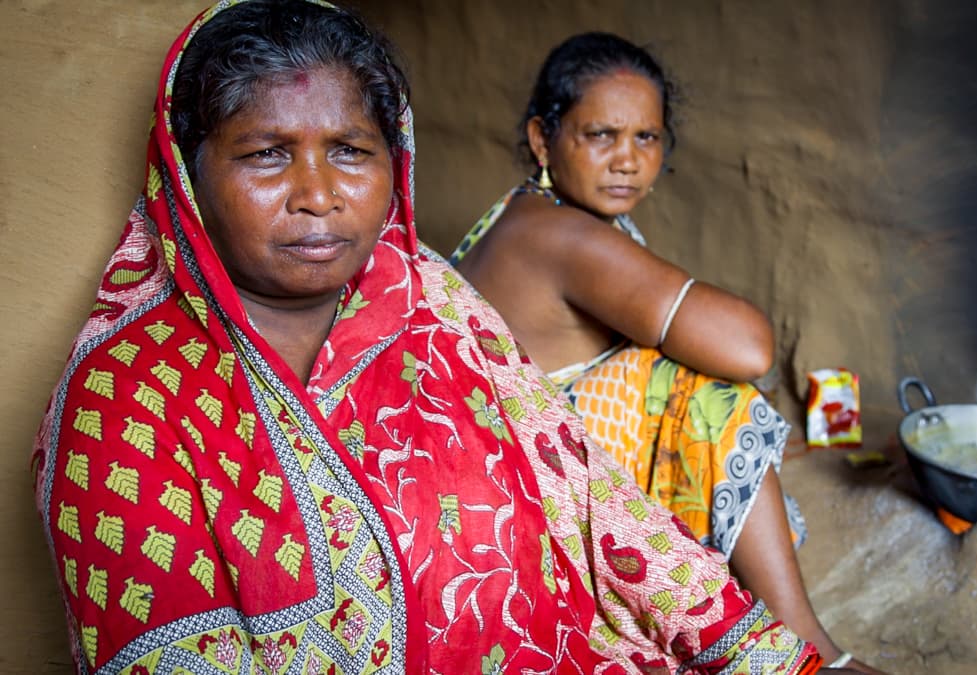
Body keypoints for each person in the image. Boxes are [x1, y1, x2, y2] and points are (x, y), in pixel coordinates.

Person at [30, 2, 825, 672]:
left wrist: (769, 655)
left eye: (350, 151)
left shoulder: (432, 299)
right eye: (267, 155)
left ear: (394, 160)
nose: (317, 194)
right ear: (187, 169)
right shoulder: (126, 396)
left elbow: (592, 498)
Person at [451, 32, 882, 674]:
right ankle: (802, 638)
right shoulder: (559, 234)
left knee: (668, 367)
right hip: (526, 502)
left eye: (646, 138)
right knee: (707, 391)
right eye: (600, 135)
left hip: (509, 478)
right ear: (544, 140)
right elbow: (748, 345)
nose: (627, 159)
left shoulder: (523, 212)